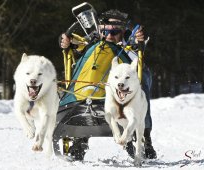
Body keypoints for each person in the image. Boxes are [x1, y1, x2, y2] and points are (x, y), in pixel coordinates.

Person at [59, 9, 157, 160]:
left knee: (143, 76)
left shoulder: (128, 44)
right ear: (99, 29)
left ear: (122, 31)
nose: (109, 36)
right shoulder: (92, 41)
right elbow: (76, 41)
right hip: (84, 92)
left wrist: (139, 39)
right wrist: (66, 40)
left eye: (115, 32)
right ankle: (79, 139)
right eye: (105, 31)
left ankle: (143, 136)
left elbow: (138, 42)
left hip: (120, 93)